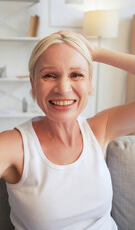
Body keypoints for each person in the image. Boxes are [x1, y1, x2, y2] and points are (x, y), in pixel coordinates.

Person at [0, 30, 135, 230]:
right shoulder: (13, 145)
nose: (63, 88)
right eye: (49, 75)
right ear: (33, 84)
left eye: (76, 75)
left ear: (89, 83)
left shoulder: (100, 129)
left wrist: (97, 52)